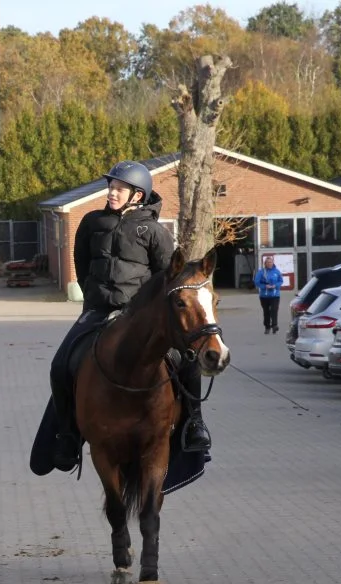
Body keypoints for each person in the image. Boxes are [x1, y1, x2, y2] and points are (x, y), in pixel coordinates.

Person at [33, 160, 213, 475]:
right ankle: (66, 435)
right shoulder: (91, 222)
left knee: (187, 360)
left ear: (137, 195)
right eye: (111, 187)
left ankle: (195, 423)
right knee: (60, 364)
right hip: (98, 311)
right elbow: (83, 264)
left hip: (139, 317)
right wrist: (94, 300)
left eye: (119, 188)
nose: (112, 193)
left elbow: (166, 279)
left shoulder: (155, 233)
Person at [254, 254, 284, 334]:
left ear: (273, 263)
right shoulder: (261, 272)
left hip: (275, 295)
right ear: (265, 264)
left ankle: (275, 325)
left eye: (270, 262)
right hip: (264, 296)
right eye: (267, 262)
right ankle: (267, 326)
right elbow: (256, 282)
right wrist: (264, 286)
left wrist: (275, 285)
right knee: (266, 311)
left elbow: (281, 281)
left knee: (274, 310)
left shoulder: (277, 272)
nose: (269, 264)